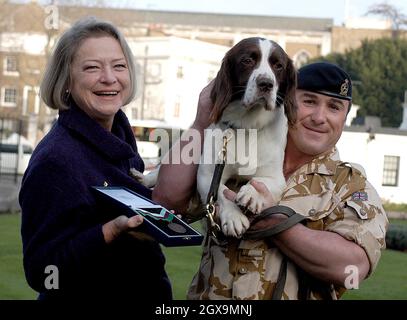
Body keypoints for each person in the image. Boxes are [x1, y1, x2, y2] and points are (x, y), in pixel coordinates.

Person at [154, 62, 388, 300]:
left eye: (334, 107)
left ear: (344, 119)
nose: (319, 117)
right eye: (309, 101)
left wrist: (273, 223)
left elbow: (352, 269)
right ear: (285, 102)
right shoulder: (238, 152)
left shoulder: (349, 185)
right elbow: (167, 200)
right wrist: (202, 121)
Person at [19, 17, 172, 300]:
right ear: (65, 80)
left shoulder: (120, 140)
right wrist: (109, 232)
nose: (109, 78)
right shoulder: (56, 160)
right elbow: (42, 272)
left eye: (119, 65)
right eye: (92, 67)